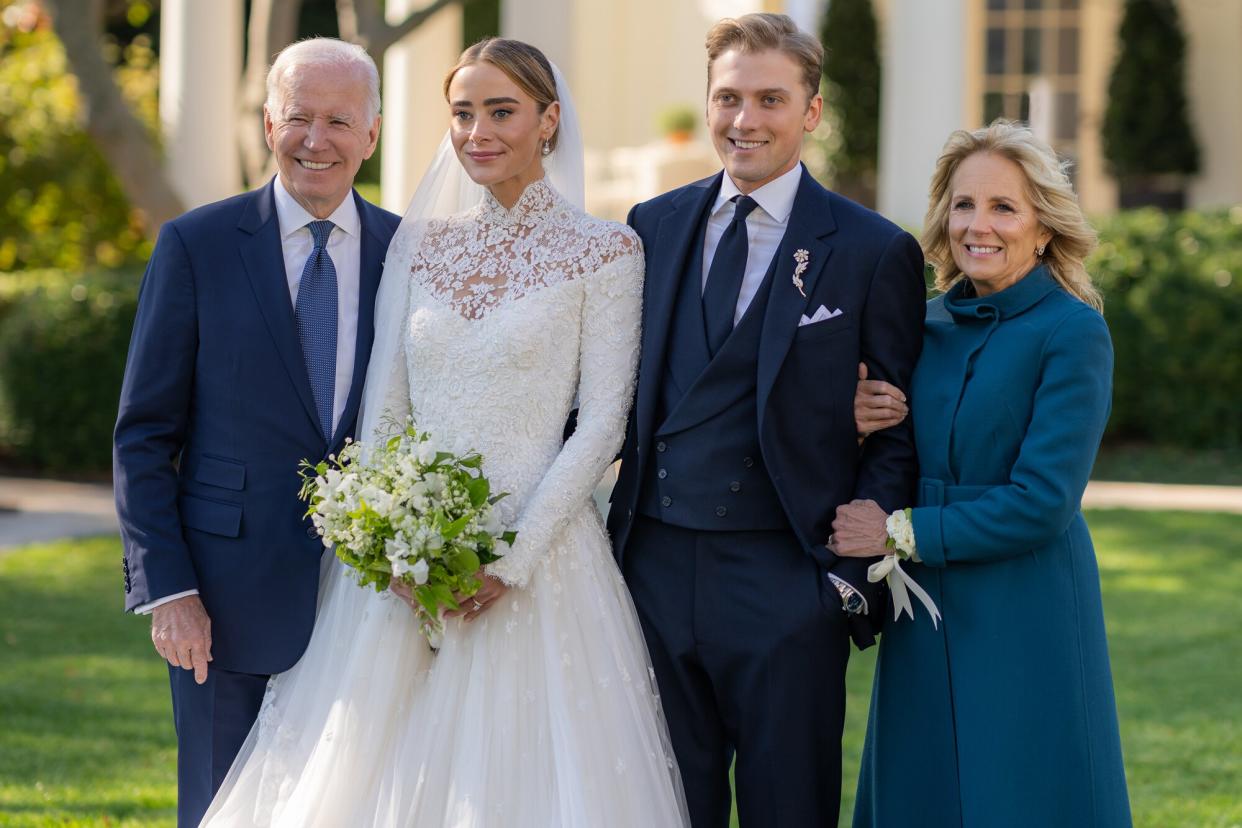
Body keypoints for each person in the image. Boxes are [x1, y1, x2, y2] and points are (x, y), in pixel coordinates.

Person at [198, 38, 689, 826]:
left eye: (501, 111)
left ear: (549, 120)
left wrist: (513, 557)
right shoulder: (420, 246)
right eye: (462, 113)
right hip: (402, 570)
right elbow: (386, 414)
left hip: (540, 564)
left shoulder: (607, 250)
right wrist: (391, 540)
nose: (477, 132)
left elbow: (602, 423)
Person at [606, 13, 926, 827]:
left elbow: (896, 435)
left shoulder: (871, 249)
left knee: (792, 809)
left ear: (811, 112)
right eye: (728, 98)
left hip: (786, 577)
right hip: (651, 568)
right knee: (667, 806)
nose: (745, 120)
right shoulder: (653, 226)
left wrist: (840, 586)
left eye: (770, 99)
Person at [112, 38, 399, 827]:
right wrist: (169, 591)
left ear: (371, 135)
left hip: (370, 602)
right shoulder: (196, 246)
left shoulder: (409, 254)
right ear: (268, 121)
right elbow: (142, 434)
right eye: (299, 117)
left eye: (339, 120)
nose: (317, 139)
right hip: (222, 597)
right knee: (220, 806)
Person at [836, 120, 1133, 827]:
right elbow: (894, 454)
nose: (979, 225)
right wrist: (855, 421)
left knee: (1020, 786)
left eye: (1004, 207)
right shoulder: (921, 324)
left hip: (1023, 605)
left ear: (1043, 227)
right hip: (924, 608)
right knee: (923, 785)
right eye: (964, 204)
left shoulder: (1073, 332)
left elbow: (1042, 501)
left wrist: (899, 531)